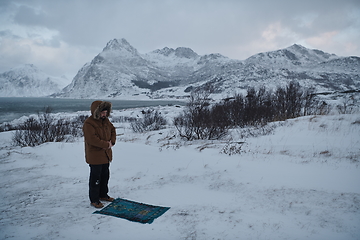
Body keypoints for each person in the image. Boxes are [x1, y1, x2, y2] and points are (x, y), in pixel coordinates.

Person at [83, 100, 116, 208]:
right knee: (95, 179)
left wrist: (112, 141)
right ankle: (94, 199)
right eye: (102, 113)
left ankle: (103, 195)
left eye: (106, 113)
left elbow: (112, 130)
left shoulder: (106, 121)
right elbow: (92, 139)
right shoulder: (89, 123)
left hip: (106, 155)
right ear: (96, 112)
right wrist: (106, 144)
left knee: (105, 176)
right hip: (95, 156)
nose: (104, 115)